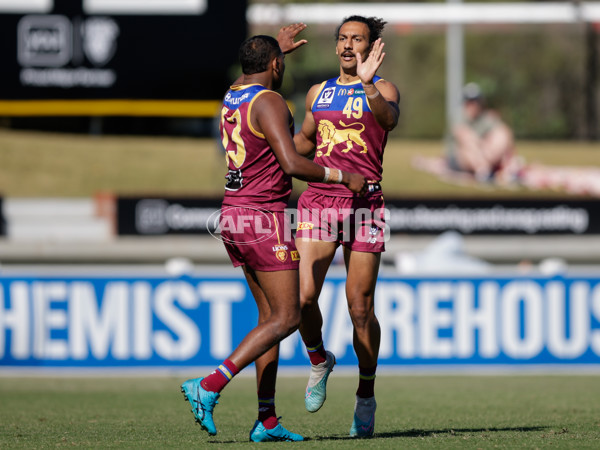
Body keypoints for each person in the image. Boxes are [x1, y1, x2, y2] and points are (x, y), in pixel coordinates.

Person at [180, 28, 367, 442]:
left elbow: (252, 72)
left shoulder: (233, 94)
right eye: (278, 63)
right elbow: (291, 162)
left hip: (233, 215)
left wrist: (271, 52)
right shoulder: (271, 102)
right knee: (288, 316)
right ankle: (209, 385)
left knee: (270, 319)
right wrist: (342, 175)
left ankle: (266, 420)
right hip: (263, 217)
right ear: (276, 66)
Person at [292, 16, 400, 438]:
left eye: (357, 39)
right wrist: (270, 142)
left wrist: (370, 85)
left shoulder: (384, 88)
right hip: (320, 200)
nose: (348, 45)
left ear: (373, 46)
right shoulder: (318, 92)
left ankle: (366, 394)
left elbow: (387, 120)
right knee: (301, 299)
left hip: (365, 204)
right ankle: (319, 358)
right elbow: (303, 142)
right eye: (342, 38)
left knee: (359, 308)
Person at [446, 82, 516, 182]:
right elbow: (464, 136)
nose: (473, 105)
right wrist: (483, 146)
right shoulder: (459, 118)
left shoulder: (486, 118)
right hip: (461, 158)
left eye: (475, 101)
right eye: (469, 101)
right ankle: (484, 171)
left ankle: (505, 168)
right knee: (468, 141)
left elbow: (504, 133)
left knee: (501, 133)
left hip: (485, 154)